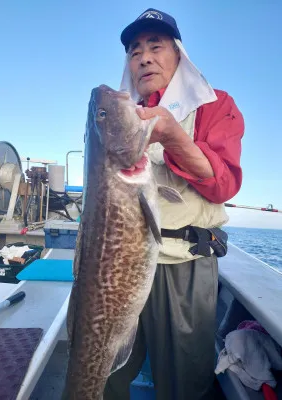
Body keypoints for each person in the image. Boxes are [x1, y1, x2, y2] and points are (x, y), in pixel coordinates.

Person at [104, 8, 244, 400]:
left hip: (183, 262)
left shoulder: (215, 105)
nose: (144, 57)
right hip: (121, 263)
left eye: (155, 45)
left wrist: (172, 137)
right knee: (102, 372)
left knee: (183, 382)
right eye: (134, 51)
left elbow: (225, 183)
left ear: (179, 54)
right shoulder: (122, 115)